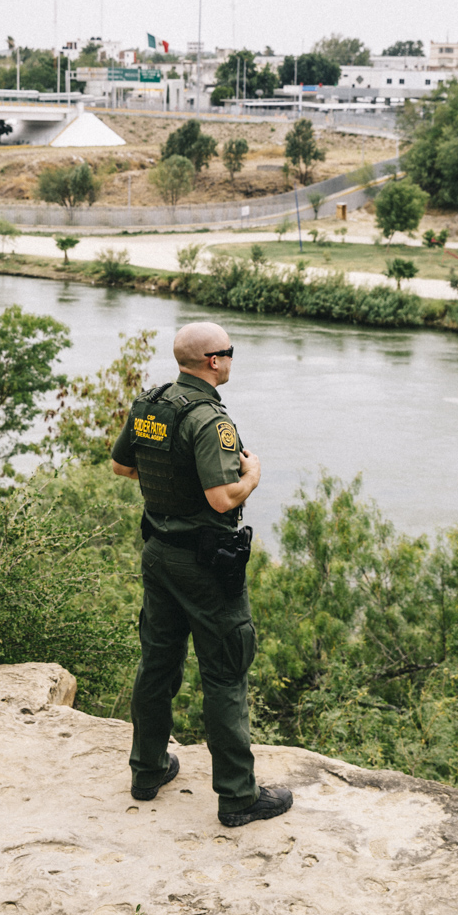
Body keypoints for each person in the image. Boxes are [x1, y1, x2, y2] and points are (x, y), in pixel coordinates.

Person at [110, 321, 293, 827]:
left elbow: (123, 467)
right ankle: (238, 797)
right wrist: (252, 476)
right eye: (230, 352)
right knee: (225, 672)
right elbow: (221, 497)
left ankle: (147, 771)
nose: (232, 359)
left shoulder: (151, 404)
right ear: (214, 361)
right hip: (204, 563)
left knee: (158, 663)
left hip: (158, 553)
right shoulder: (212, 421)